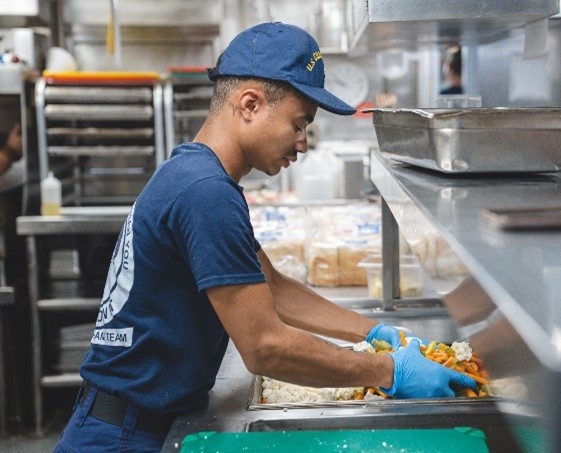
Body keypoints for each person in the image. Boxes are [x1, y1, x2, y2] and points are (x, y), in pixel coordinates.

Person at [54, 22, 476, 452]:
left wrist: (375, 333)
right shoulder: (206, 192)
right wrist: (388, 372)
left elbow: (271, 288)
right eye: (299, 123)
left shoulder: (196, 174)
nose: (303, 143)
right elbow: (265, 348)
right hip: (122, 436)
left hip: (127, 421)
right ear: (250, 104)